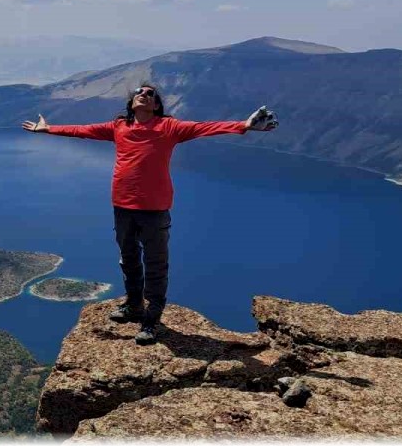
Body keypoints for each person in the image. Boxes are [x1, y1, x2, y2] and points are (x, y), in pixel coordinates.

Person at [22, 84, 278, 345]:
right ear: (132, 101)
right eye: (139, 92)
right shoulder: (119, 127)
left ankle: (151, 320)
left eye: (150, 94)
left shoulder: (169, 127)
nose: (143, 94)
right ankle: (134, 307)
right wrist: (48, 128)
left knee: (155, 265)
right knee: (128, 259)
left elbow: (205, 127)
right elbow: (83, 131)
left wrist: (244, 125)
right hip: (122, 206)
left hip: (154, 209)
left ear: (156, 105)